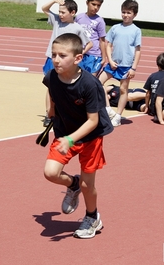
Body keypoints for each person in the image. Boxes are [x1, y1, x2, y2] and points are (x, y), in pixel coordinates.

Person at [42, 33, 113, 239]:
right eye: (54, 54)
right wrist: (50, 110)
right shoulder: (51, 75)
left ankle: (92, 217)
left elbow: (93, 121)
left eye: (62, 55)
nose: (56, 59)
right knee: (50, 172)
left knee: (87, 184)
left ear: (78, 58)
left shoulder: (90, 84)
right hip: (64, 132)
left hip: (90, 137)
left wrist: (71, 139)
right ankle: (72, 185)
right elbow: (50, 89)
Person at [41, 0, 93, 127]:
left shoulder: (77, 28)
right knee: (50, 87)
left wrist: (77, 55)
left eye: (63, 12)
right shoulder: (57, 21)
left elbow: (89, 44)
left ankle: (65, 111)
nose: (60, 15)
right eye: (59, 12)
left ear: (73, 12)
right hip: (52, 59)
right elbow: (44, 9)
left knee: (66, 86)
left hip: (68, 62)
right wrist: (54, 1)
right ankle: (49, 114)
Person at [98, 0, 141, 127]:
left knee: (123, 89)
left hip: (126, 66)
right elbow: (108, 44)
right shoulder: (115, 28)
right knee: (98, 83)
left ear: (134, 14)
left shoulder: (136, 30)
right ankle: (107, 109)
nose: (125, 15)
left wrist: (133, 68)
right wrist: (110, 60)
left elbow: (138, 51)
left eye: (128, 13)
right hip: (112, 64)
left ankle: (118, 115)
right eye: (123, 12)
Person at [75, 0, 107, 76]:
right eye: (93, 4)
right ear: (87, 3)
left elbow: (102, 40)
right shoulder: (79, 17)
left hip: (94, 55)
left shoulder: (100, 21)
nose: (96, 7)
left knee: (91, 80)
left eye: (98, 5)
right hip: (81, 53)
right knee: (78, 77)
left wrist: (104, 57)